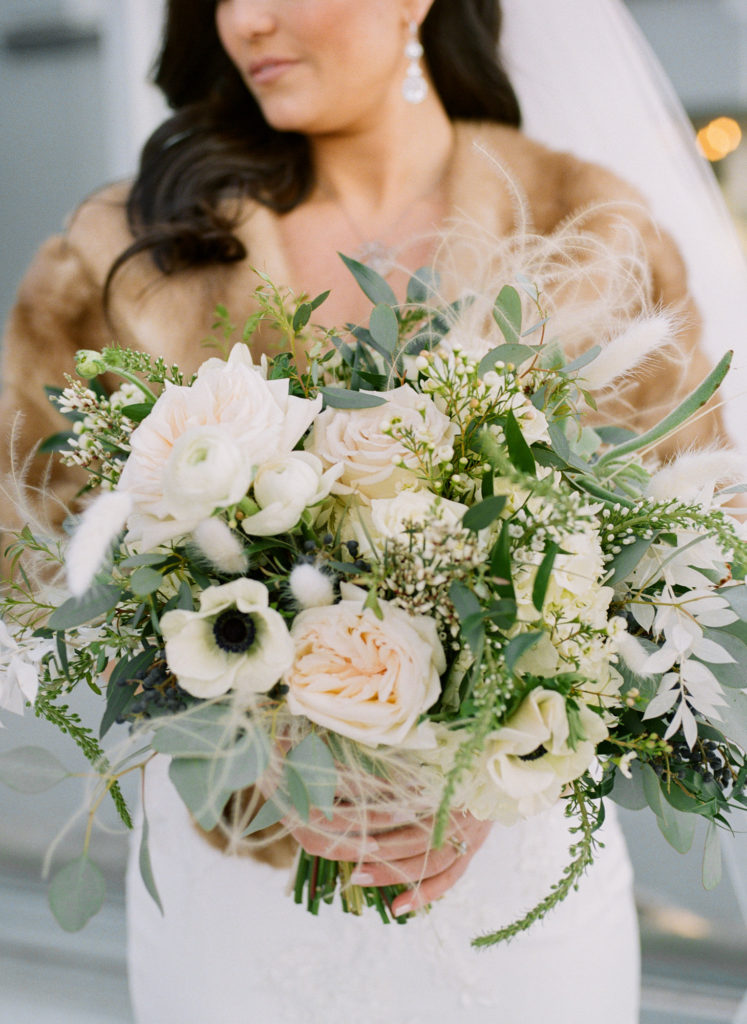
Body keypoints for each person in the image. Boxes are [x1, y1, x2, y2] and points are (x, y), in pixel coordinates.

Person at [0, 1, 739, 1021]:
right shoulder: (121, 254)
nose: (246, 21)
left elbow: (688, 566)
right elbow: (27, 563)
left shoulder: (588, 226)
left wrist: (482, 761)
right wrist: (258, 729)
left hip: (509, 899)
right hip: (240, 907)